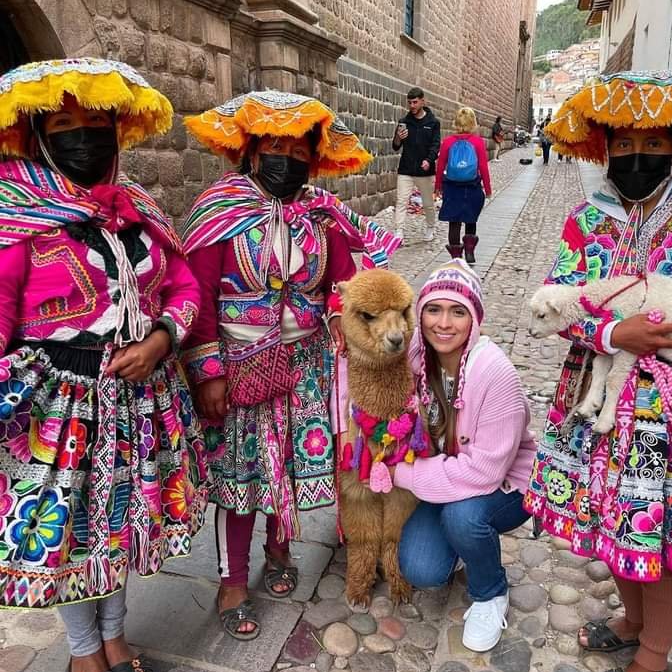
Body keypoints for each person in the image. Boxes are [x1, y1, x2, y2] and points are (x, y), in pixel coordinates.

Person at [0, 58, 207, 672]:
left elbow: (183, 286)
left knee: (118, 523)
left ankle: (115, 636)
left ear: (118, 131)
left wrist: (161, 340)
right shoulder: (15, 213)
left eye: (95, 124)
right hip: (59, 406)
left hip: (141, 399)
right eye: (65, 126)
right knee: (71, 529)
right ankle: (83, 647)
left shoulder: (138, 209)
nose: (83, 138)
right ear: (38, 135)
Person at [524, 71, 672, 672]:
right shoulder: (587, 221)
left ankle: (652, 658)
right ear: (606, 146)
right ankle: (633, 621)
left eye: (654, 143)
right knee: (609, 514)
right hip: (597, 399)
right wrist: (614, 331)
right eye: (625, 143)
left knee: (662, 536)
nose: (638, 156)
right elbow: (556, 303)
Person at [182, 90, 400, 642]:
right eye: (275, 148)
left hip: (306, 365)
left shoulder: (321, 216)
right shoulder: (219, 212)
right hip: (239, 365)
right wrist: (208, 372)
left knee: (294, 463)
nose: (287, 159)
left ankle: (279, 549)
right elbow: (198, 294)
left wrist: (342, 318)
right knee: (241, 475)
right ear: (252, 152)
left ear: (313, 158)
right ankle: (232, 581)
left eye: (298, 151)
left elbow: (343, 282)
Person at [393, 260, 535, 652]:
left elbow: (484, 473)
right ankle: (459, 545)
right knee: (422, 570)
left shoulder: (496, 374)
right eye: (433, 310)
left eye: (458, 312)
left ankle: (491, 591)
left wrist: (399, 473)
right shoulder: (416, 359)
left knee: (464, 518)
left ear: (474, 318)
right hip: (446, 478)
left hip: (504, 487)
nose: (444, 323)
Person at [435, 107, 492, 264]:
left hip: (452, 187)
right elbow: (483, 167)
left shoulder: (447, 142)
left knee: (454, 222)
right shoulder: (477, 142)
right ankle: (469, 251)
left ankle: (456, 257)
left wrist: (438, 186)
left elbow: (440, 166)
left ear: (456, 122)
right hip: (472, 186)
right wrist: (487, 189)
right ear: (473, 123)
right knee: (470, 219)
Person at [392, 87, 441, 244]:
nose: (412, 106)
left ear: (422, 101)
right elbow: (395, 146)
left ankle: (430, 227)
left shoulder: (433, 123)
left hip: (425, 171)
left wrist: (429, 160)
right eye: (410, 103)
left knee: (428, 203)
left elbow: (435, 145)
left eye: (415, 102)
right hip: (406, 169)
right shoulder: (404, 122)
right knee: (401, 201)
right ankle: (398, 231)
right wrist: (398, 137)